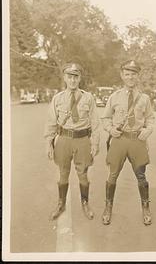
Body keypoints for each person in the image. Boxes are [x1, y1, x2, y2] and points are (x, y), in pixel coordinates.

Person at [101, 60, 155, 226]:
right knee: (112, 175)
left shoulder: (144, 98)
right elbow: (105, 117)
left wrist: (147, 130)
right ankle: (108, 207)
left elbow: (150, 118)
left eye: (133, 74)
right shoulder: (114, 97)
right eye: (127, 74)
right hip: (119, 139)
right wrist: (110, 130)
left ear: (138, 76)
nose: (130, 77)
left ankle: (145, 207)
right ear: (122, 76)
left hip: (137, 140)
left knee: (141, 176)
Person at [44, 62, 100, 221]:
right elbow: (51, 122)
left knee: (83, 174)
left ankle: (85, 203)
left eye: (76, 77)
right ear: (65, 78)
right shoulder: (58, 98)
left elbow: (95, 122)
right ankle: (61, 204)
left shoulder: (88, 98)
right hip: (63, 140)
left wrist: (95, 143)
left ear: (80, 78)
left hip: (82, 140)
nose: (73, 80)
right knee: (63, 174)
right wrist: (48, 143)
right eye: (70, 76)